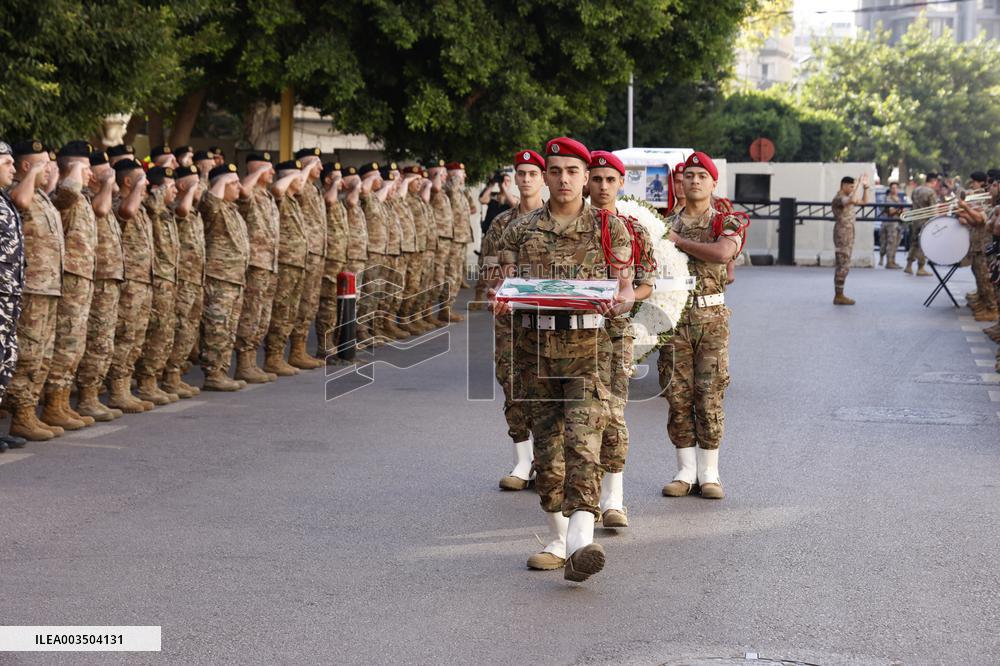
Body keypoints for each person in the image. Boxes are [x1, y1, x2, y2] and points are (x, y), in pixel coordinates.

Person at [495, 137, 635, 583]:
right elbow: (506, 284)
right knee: (549, 455)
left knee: (582, 446)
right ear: (545, 174)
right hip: (535, 353)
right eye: (555, 171)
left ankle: (581, 540)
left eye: (573, 171)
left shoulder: (611, 229)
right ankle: (558, 540)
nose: (563, 179)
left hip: (590, 355)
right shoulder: (518, 230)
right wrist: (503, 300)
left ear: (585, 176)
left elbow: (626, 290)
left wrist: (620, 303)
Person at [660, 151, 747, 501]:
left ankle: (710, 472)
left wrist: (680, 244)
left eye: (701, 175)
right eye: (689, 175)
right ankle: (684, 470)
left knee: (709, 393)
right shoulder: (665, 222)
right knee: (677, 394)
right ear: (681, 182)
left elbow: (724, 253)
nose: (694, 181)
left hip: (710, 319)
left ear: (713, 183)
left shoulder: (726, 221)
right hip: (674, 318)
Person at [587, 150, 657, 528]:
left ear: (620, 183)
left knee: (612, 413)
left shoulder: (633, 229)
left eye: (609, 179)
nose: (602, 186)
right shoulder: (568, 228)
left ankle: (613, 500)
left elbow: (647, 284)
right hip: (569, 335)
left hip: (614, 333)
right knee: (572, 417)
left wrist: (630, 296)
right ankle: (581, 501)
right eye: (596, 179)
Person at [487, 149, 544, 492]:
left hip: (548, 317)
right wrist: (495, 293)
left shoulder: (553, 221)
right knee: (512, 382)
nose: (525, 179)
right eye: (520, 173)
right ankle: (523, 460)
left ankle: (548, 460)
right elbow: (491, 270)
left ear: (543, 178)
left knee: (548, 386)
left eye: (531, 173)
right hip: (510, 318)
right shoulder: (501, 223)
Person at [5, 141, 66, 441]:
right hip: (31, 285)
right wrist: (34, 174)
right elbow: (20, 200)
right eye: (42, 163)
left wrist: (46, 176)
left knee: (42, 352)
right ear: (27, 166)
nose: (49, 168)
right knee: (28, 351)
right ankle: (21, 414)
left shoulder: (42, 195)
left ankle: (30, 411)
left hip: (50, 285)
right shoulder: (18, 190)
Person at [41, 141, 102, 430]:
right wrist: (75, 169)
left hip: (83, 279)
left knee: (74, 343)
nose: (92, 174)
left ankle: (63, 402)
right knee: (65, 342)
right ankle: (53, 405)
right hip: (69, 278)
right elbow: (65, 193)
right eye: (87, 167)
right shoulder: (64, 195)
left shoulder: (83, 197)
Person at [75, 149, 125, 421]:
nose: (111, 175)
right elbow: (103, 209)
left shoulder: (99, 195)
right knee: (94, 338)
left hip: (107, 275)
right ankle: (85, 397)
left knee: (103, 338)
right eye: (105, 170)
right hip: (97, 276)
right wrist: (107, 183)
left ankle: (93, 395)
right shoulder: (92, 197)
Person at [106, 158, 155, 413]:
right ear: (127, 181)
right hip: (129, 282)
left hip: (143, 280)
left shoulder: (143, 207)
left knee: (135, 337)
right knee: (124, 335)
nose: (146, 184)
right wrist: (137, 188)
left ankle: (125, 387)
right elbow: (126, 212)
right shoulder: (119, 203)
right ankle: (116, 390)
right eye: (140, 179)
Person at [235, 152, 288, 381]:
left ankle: (254, 361)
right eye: (269, 168)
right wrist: (256, 172)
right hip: (256, 263)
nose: (273, 173)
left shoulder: (267, 196)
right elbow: (244, 191)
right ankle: (244, 364)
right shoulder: (248, 193)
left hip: (270, 263)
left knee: (262, 315)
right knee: (251, 314)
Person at [199, 163, 250, 391]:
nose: (239, 187)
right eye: (234, 183)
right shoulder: (213, 208)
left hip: (235, 278)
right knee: (216, 327)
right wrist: (220, 179)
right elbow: (210, 202)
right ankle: (213, 373)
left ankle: (222, 371)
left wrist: (229, 180)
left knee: (228, 328)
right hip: (218, 278)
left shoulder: (232, 210)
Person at [134, 166, 181, 405]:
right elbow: (152, 204)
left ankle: (153, 380)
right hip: (156, 278)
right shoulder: (152, 208)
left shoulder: (167, 212)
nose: (176, 190)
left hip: (168, 278)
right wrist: (157, 190)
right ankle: (145, 383)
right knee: (155, 331)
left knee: (165, 331)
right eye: (170, 187)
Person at [162, 164, 206, 398]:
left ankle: (175, 374)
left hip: (195, 278)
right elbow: (181, 210)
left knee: (189, 330)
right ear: (181, 186)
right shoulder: (176, 208)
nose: (200, 188)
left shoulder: (196, 211)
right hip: (183, 280)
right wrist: (188, 191)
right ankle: (169, 376)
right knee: (178, 328)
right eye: (195, 183)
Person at [264, 160, 308, 374]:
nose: (302, 182)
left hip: (297, 263)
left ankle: (282, 355)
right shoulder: (280, 197)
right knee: (281, 310)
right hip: (286, 262)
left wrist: (298, 175)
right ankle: (273, 357)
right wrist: (292, 176)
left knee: (290, 311)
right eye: (299, 179)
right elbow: (278, 188)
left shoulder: (294, 200)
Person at [0, 141, 27, 451]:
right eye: (7, 162)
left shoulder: (4, 200)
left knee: (5, 361)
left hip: (8, 294)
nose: (12, 167)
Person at [290, 147, 327, 369]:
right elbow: (296, 188)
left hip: (317, 252)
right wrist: (305, 168)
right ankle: (295, 351)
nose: (320, 168)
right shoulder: (301, 184)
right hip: (307, 253)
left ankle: (300, 349)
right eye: (317, 164)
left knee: (310, 303)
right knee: (302, 302)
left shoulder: (315, 189)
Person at [316, 162, 351, 355]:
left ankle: (337, 342)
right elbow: (327, 201)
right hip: (329, 258)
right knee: (327, 302)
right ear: (328, 179)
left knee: (339, 303)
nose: (341, 182)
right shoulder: (324, 195)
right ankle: (325, 343)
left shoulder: (338, 199)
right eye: (337, 177)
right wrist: (334, 183)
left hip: (340, 257)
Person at [831, 174, 870, 305]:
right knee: (842, 264)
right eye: (851, 186)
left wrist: (865, 188)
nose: (853, 189)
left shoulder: (847, 198)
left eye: (854, 186)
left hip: (848, 233)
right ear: (844, 185)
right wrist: (859, 184)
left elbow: (864, 202)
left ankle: (840, 294)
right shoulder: (838, 198)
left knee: (845, 264)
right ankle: (838, 295)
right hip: (842, 234)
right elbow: (852, 200)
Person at [964, 172, 998, 322]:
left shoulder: (994, 206)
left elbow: (987, 223)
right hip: (981, 244)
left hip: (987, 245)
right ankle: (988, 306)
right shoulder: (992, 204)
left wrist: (966, 208)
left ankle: (992, 309)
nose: (990, 188)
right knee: (983, 276)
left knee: (989, 279)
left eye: (994, 184)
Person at [445, 162, 473, 314]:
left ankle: (448, 309)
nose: (465, 176)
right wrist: (455, 178)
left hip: (461, 238)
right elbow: (451, 192)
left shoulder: (461, 192)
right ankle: (445, 309)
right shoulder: (450, 189)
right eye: (462, 173)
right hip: (454, 239)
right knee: (451, 274)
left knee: (456, 276)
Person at [906, 173, 938, 276]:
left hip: (915, 219)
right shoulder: (931, 192)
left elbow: (912, 201)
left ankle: (909, 265)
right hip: (925, 220)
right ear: (934, 181)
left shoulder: (916, 189)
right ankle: (921, 267)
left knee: (914, 242)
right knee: (922, 243)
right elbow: (933, 209)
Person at [881, 182, 904, 269]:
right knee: (891, 242)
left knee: (896, 243)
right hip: (890, 224)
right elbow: (890, 212)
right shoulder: (888, 199)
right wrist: (899, 210)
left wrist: (900, 210)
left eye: (896, 188)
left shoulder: (898, 198)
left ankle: (893, 261)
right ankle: (889, 262)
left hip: (897, 223)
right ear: (890, 189)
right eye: (893, 188)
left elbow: (901, 210)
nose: (894, 190)